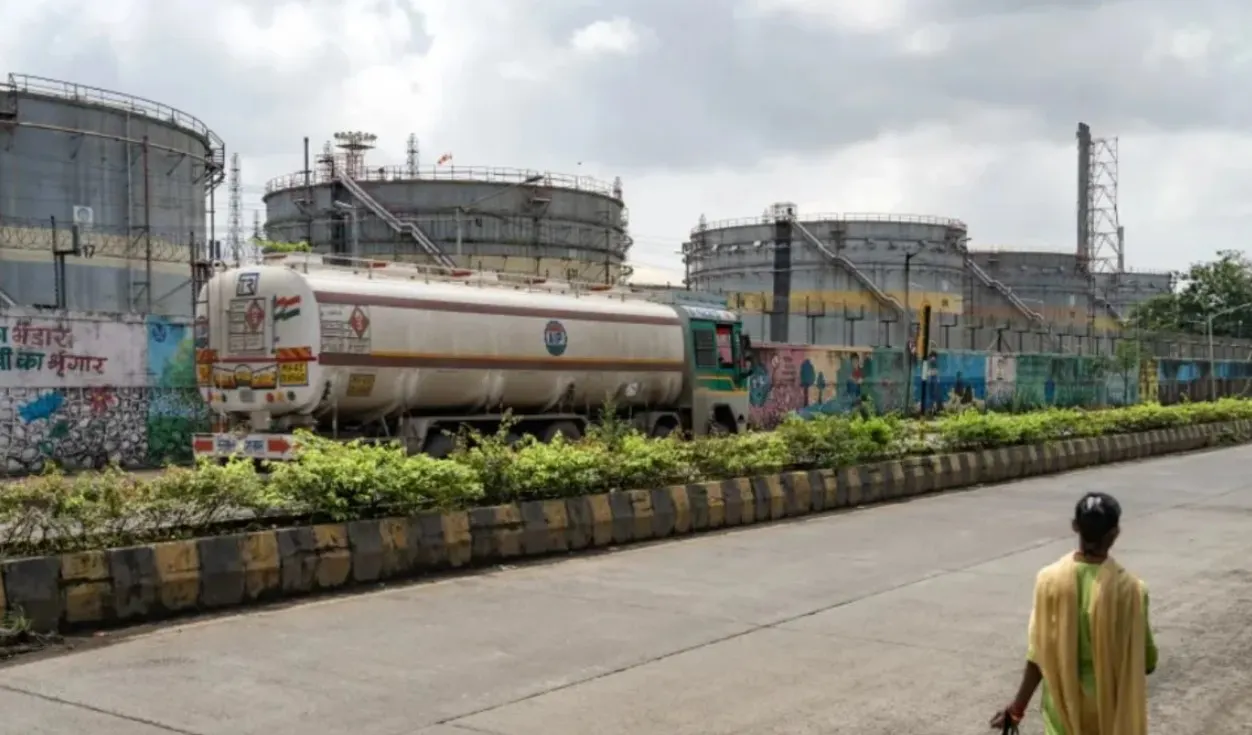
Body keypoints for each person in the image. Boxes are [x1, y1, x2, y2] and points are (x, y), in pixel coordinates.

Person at [990, 492, 1158, 734]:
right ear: (1115, 533)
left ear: (1075, 526)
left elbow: (1038, 654)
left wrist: (1017, 709)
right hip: (1110, 715)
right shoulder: (1132, 590)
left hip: (1062, 711)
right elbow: (1147, 662)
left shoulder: (1049, 580)